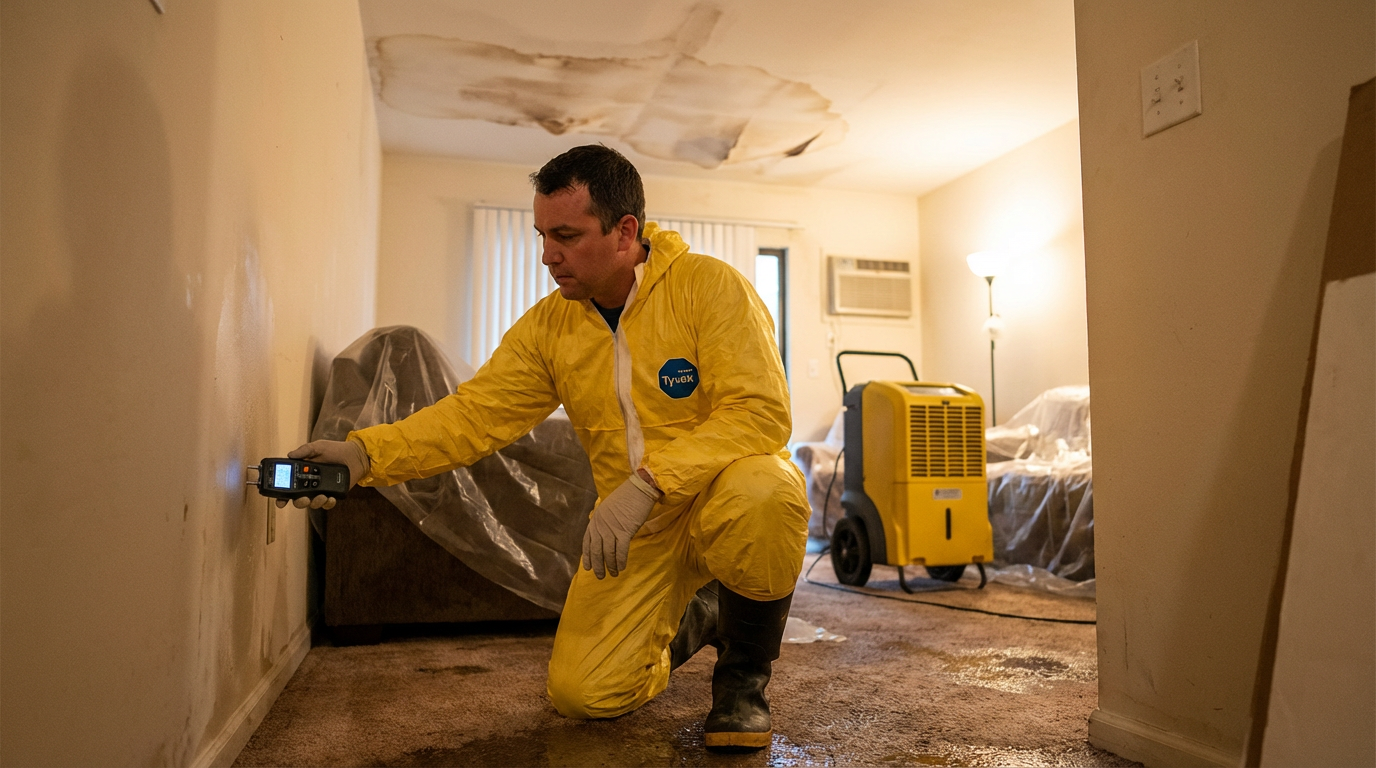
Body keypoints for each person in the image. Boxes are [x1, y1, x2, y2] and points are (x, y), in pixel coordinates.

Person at [284, 145, 810, 750]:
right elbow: (472, 416)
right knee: (584, 696)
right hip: (641, 528)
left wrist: (649, 481)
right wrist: (364, 455)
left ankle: (743, 682)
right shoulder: (550, 327)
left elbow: (760, 413)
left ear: (624, 231)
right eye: (541, 234)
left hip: (716, 494)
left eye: (565, 235)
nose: (546, 255)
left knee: (765, 490)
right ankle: (705, 610)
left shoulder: (710, 288)